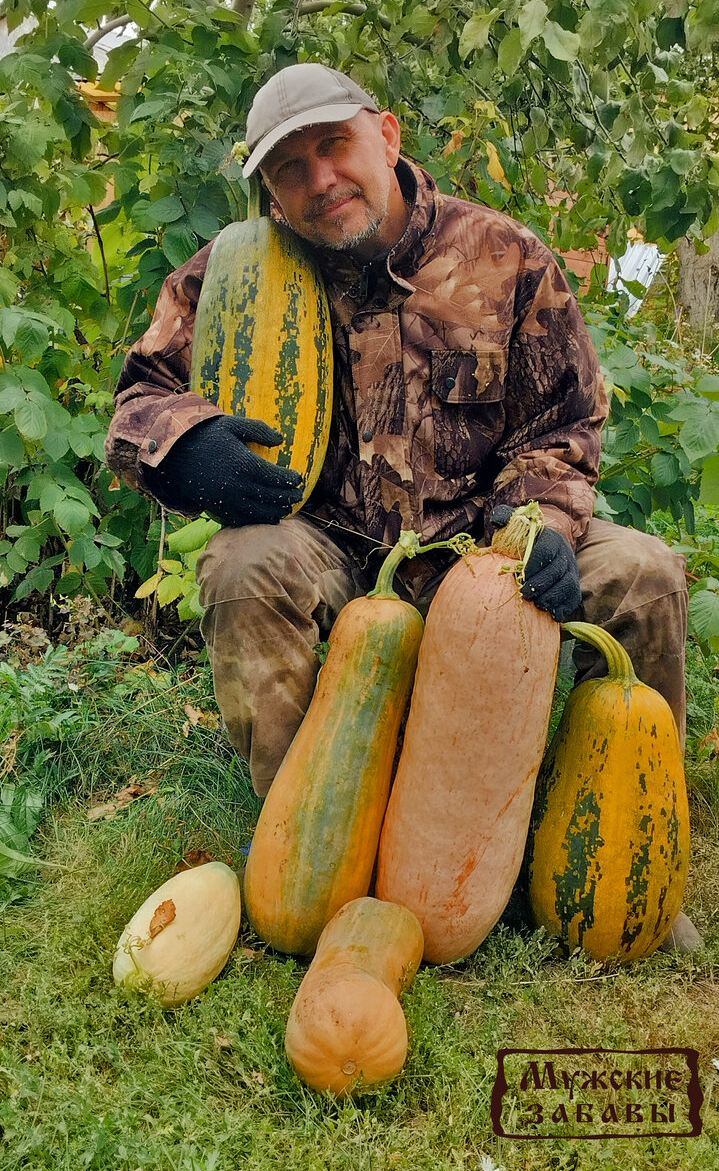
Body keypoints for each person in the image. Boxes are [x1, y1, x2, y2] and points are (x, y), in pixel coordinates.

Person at [106, 64, 697, 949]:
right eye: (288, 169)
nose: (319, 181)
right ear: (269, 189)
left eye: (332, 146)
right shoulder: (236, 270)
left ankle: (622, 859)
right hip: (337, 549)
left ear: (383, 135)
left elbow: (567, 420)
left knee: (646, 575)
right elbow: (137, 398)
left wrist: (538, 519)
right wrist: (184, 445)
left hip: (484, 544)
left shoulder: (503, 254)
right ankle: (301, 847)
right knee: (240, 565)